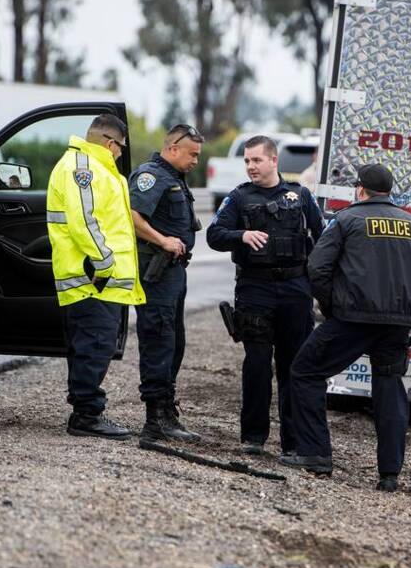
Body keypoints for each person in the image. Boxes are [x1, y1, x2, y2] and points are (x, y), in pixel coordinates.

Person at [282, 164, 411, 492]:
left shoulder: (346, 220)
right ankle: (389, 474)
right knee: (389, 386)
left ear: (360, 189)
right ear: (389, 190)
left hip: (352, 319)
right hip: (397, 324)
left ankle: (316, 455)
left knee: (305, 371)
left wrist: (331, 307)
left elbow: (317, 267)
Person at [206, 135, 324, 455]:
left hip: (295, 289)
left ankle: (293, 442)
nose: (250, 166)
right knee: (257, 365)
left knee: (292, 366)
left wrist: (319, 281)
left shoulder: (300, 196)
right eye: (246, 161)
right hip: (255, 288)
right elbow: (214, 235)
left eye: (256, 160)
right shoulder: (239, 198)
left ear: (274, 160)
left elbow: (323, 236)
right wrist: (241, 235)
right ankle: (254, 437)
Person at [46, 114, 145, 439]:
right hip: (92, 280)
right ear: (109, 142)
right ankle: (87, 415)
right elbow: (84, 221)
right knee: (96, 345)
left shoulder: (98, 168)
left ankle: (83, 408)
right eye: (120, 147)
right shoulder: (83, 168)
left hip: (95, 280)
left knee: (89, 345)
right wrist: (104, 265)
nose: (120, 153)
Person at [129, 123, 204, 443]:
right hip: (156, 272)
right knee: (159, 340)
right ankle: (155, 419)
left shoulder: (174, 177)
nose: (196, 161)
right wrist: (163, 240)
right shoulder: (151, 176)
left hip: (174, 272)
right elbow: (131, 215)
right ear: (173, 149)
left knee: (174, 343)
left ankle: (167, 411)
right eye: (192, 154)